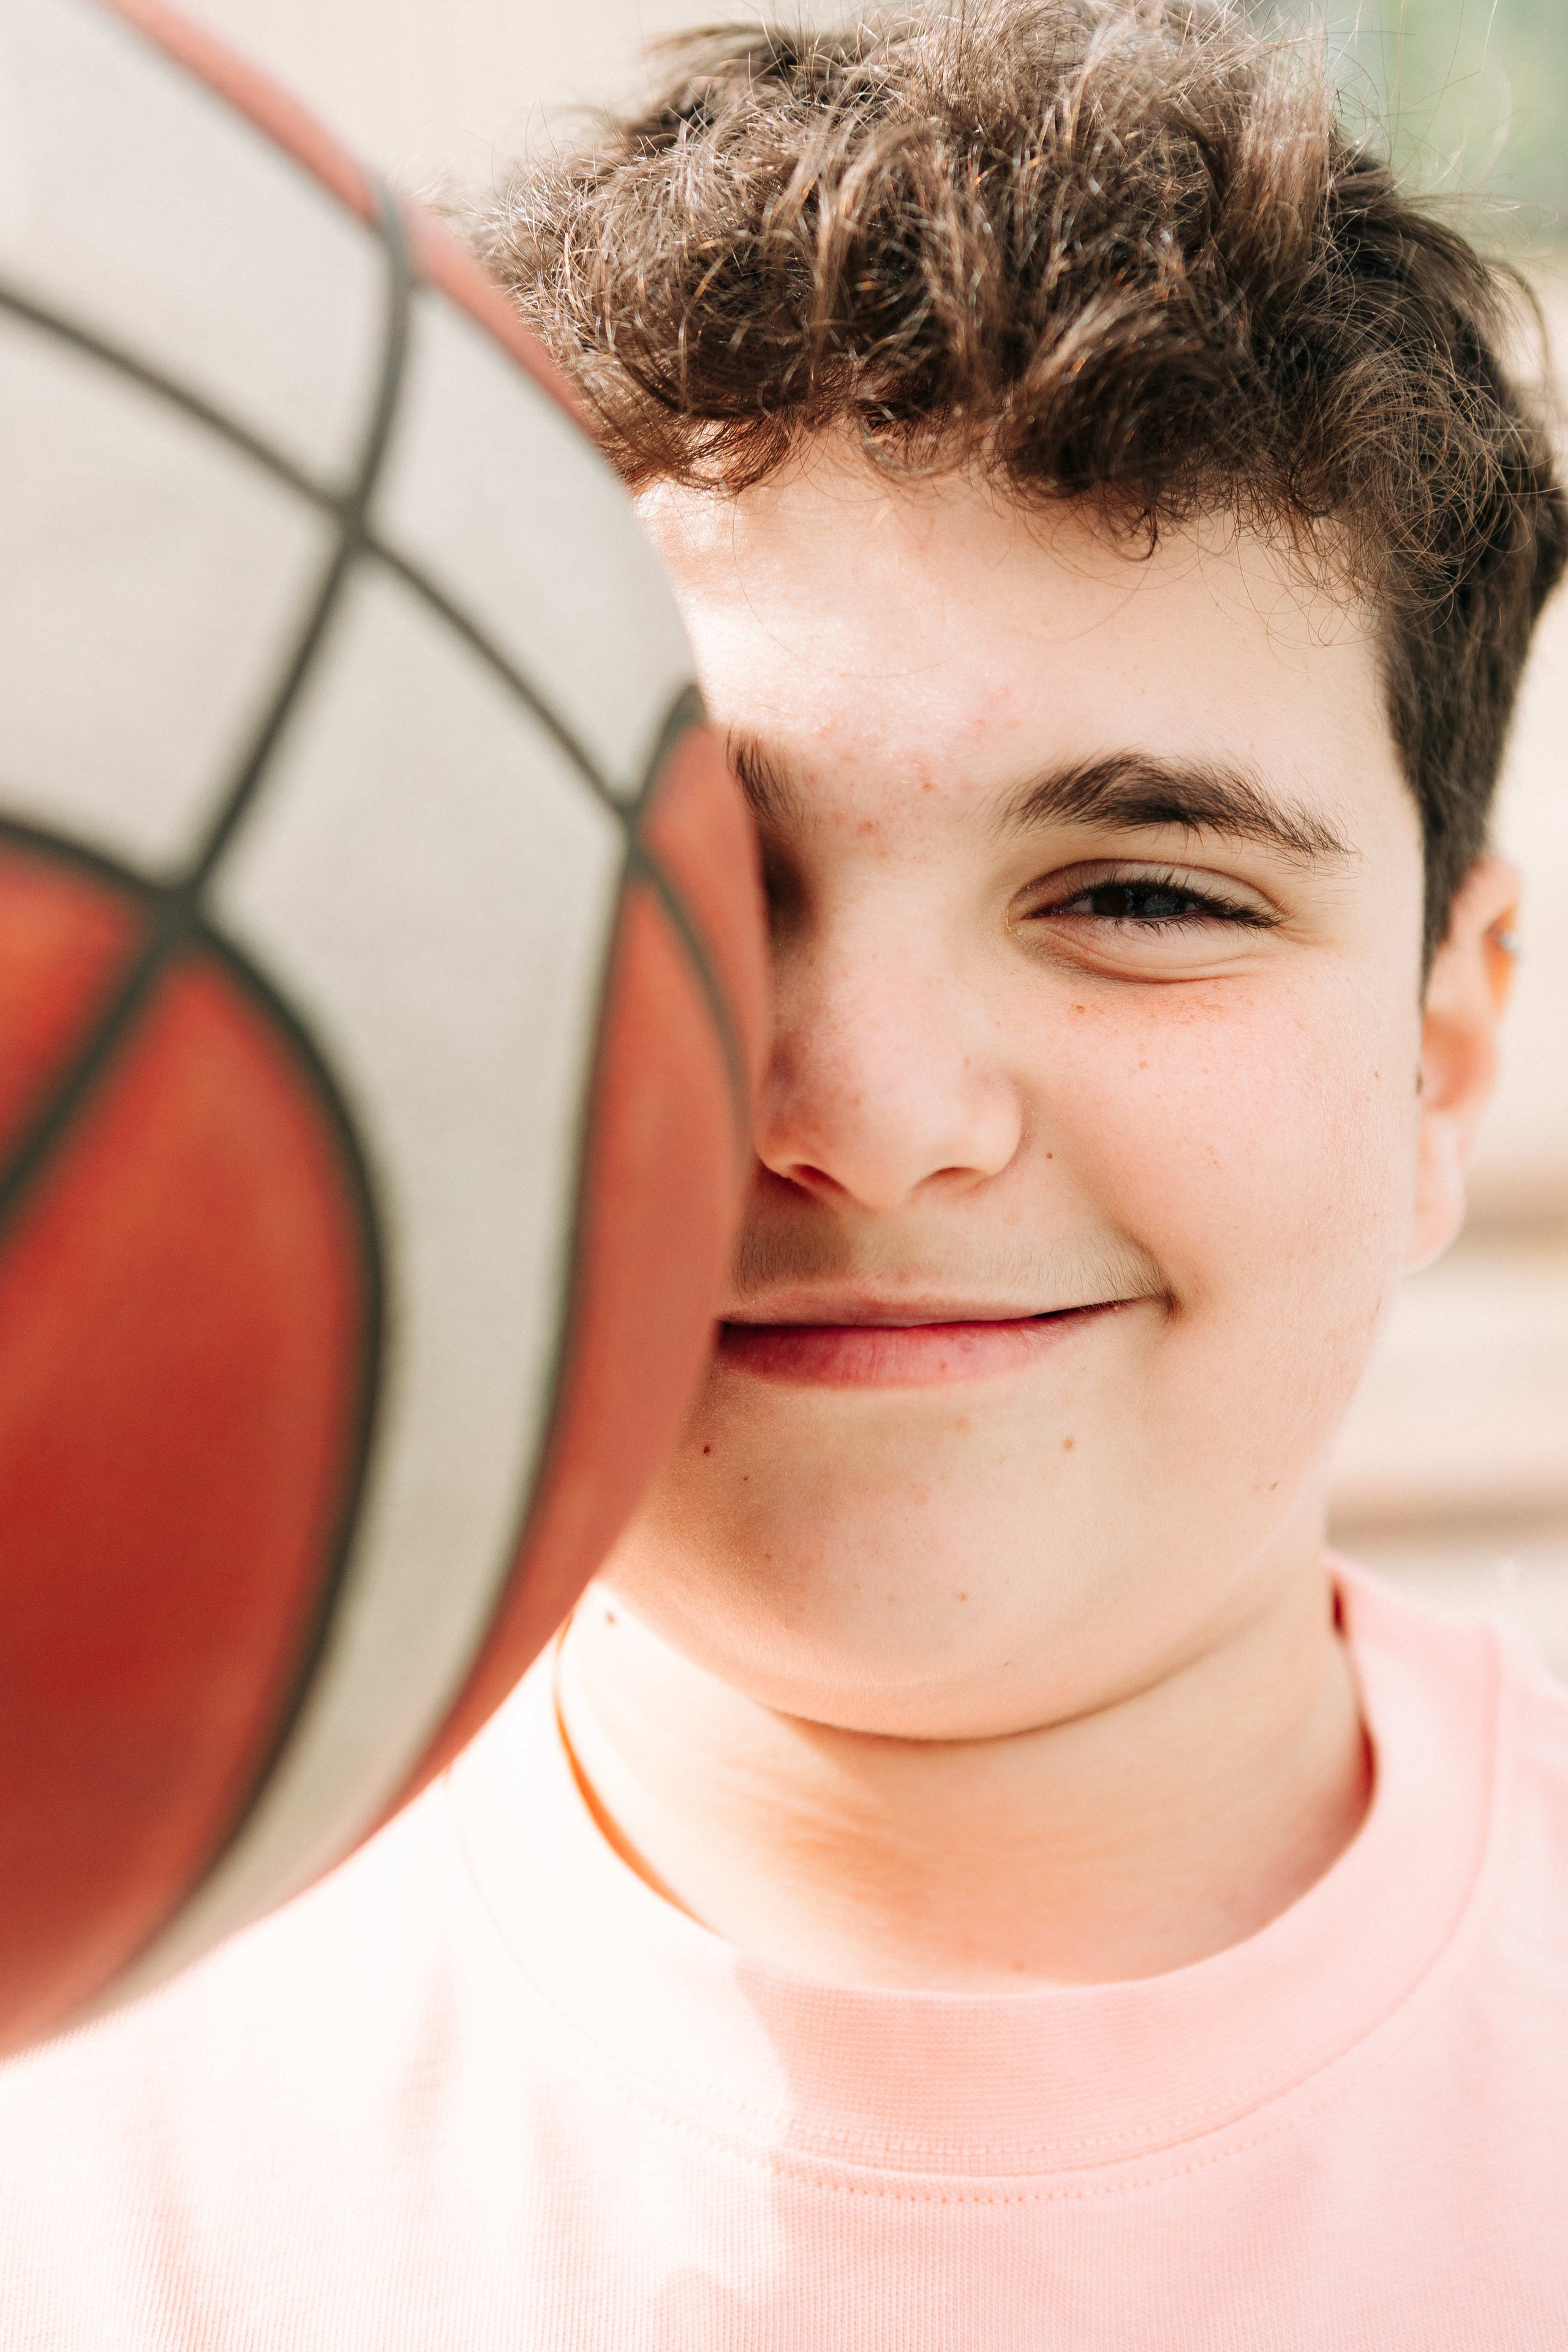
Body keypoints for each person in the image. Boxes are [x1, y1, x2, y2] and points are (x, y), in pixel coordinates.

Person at [4, 4, 1567, 2344]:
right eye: (714, 894)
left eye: (1145, 895)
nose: (873, 1113)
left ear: (1442, 1051)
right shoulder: (79, 2108)